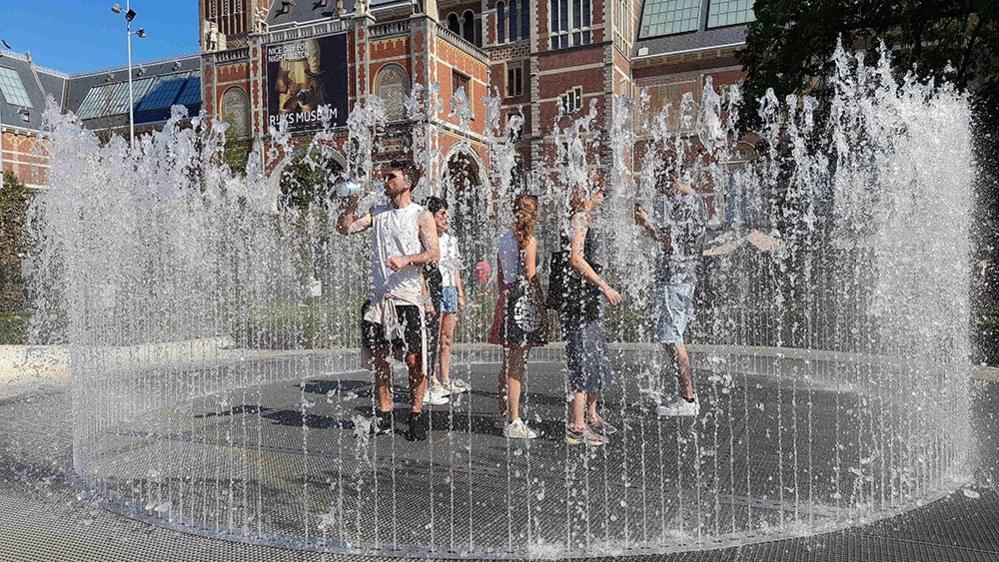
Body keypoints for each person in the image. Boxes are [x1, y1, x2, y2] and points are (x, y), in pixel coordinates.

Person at [337, 159, 440, 441]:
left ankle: (416, 415)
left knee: (413, 360)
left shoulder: (421, 215)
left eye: (391, 177)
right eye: (384, 177)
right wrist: (351, 203)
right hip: (379, 300)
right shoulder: (378, 213)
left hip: (408, 299)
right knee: (380, 360)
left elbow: (433, 253)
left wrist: (406, 259)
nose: (385, 181)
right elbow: (345, 229)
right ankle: (384, 414)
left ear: (407, 182)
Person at [634, 163, 708, 417]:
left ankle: (688, 399)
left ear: (673, 179)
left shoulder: (686, 204)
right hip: (683, 278)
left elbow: (670, 244)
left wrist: (646, 224)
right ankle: (686, 396)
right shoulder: (697, 202)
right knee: (672, 336)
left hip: (675, 280)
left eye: (664, 188)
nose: (663, 194)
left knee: (671, 337)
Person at [560, 170, 623, 446]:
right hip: (580, 300)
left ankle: (592, 415)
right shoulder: (579, 219)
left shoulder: (585, 219)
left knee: (596, 355)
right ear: (587, 193)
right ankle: (576, 426)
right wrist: (604, 285)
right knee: (583, 359)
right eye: (599, 192)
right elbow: (575, 259)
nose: (602, 198)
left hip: (588, 299)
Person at [488, 194, 547, 439]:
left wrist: (505, 299)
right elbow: (531, 276)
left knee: (508, 360)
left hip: (506, 299)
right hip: (523, 304)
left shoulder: (504, 240)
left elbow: (501, 277)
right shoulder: (529, 241)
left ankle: (505, 410)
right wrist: (541, 305)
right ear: (533, 214)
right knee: (517, 365)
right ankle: (513, 420)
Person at [425, 196, 471, 396]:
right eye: (442, 214)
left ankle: (445, 377)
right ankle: (431, 378)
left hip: (450, 290)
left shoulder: (451, 241)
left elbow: (455, 269)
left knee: (447, 338)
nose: (446, 218)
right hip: (435, 289)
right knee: (433, 338)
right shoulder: (427, 239)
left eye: (447, 213)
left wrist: (460, 293)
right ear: (432, 217)